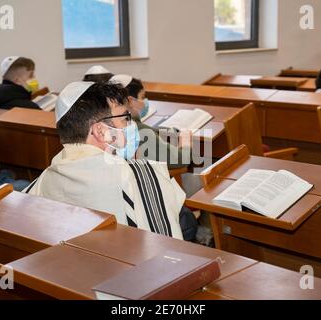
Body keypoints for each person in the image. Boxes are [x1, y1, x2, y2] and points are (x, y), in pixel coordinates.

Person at [26, 81, 198, 241]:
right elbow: (165, 248)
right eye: (125, 119)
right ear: (100, 131)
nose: (131, 126)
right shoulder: (139, 175)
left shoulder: (44, 179)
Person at [109, 74, 192, 170]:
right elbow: (181, 160)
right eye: (142, 97)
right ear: (130, 101)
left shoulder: (111, 124)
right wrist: (186, 141)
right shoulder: (139, 131)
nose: (145, 101)